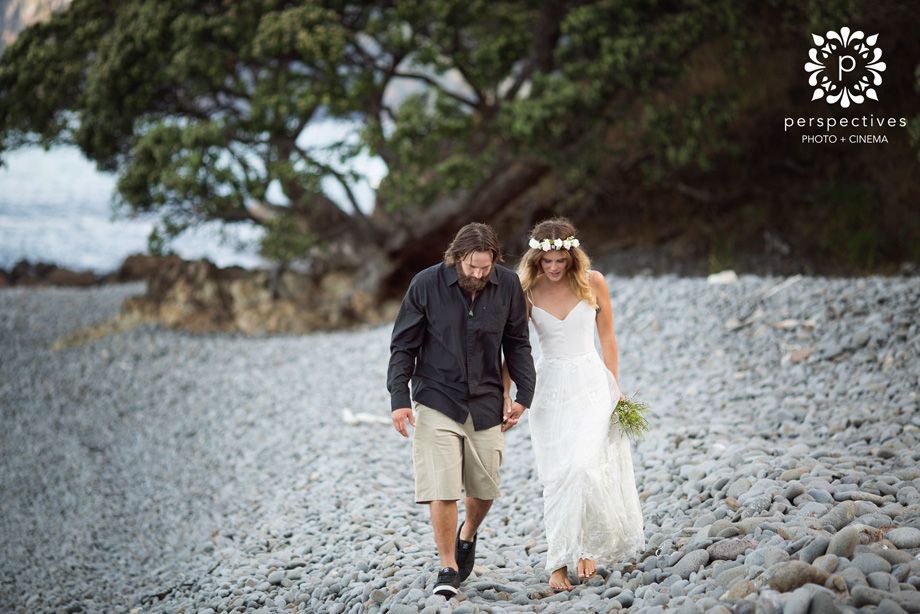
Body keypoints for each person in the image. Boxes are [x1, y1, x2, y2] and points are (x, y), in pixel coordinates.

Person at [387, 222, 536, 598]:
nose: (478, 274)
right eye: (472, 267)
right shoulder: (425, 284)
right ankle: (448, 565)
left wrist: (524, 394)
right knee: (442, 486)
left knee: (485, 488)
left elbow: (518, 344)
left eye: (485, 268)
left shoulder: (507, 287)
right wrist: (399, 400)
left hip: (486, 400)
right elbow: (403, 346)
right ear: (456, 258)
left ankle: (467, 533)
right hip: (437, 397)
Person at [511, 217, 645, 591]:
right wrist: (511, 395)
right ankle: (557, 562)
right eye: (547, 262)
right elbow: (515, 348)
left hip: (590, 384)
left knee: (586, 467)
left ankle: (586, 547)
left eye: (560, 260)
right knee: (557, 476)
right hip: (549, 389)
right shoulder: (527, 291)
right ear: (537, 259)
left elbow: (608, 337)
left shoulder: (594, 282)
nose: (554, 268)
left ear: (572, 255)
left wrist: (614, 386)